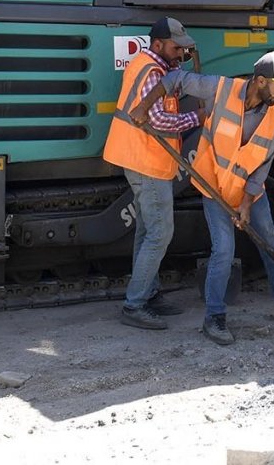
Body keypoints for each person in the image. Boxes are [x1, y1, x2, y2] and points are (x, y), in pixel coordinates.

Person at [130, 50, 274, 346]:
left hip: (249, 193)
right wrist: (144, 106)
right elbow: (175, 79)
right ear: (261, 81)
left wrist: (246, 203)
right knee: (224, 250)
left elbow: (262, 167)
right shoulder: (222, 89)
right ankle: (214, 318)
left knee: (270, 242)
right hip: (213, 187)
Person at [103, 17, 204, 330]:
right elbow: (157, 120)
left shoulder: (154, 65)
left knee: (147, 232)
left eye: (183, 48)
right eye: (176, 48)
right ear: (158, 44)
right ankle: (134, 305)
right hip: (146, 161)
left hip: (142, 158)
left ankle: (148, 293)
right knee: (160, 233)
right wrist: (198, 117)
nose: (180, 53)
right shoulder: (151, 71)